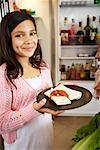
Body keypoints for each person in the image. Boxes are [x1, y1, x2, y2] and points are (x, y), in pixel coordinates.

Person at [0, 11, 63, 150]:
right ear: (7, 39)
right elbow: (2, 123)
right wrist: (34, 109)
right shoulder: (3, 75)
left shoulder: (42, 66)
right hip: (21, 144)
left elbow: (48, 98)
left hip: (45, 136)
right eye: (19, 35)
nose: (29, 41)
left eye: (32, 33)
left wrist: (62, 92)